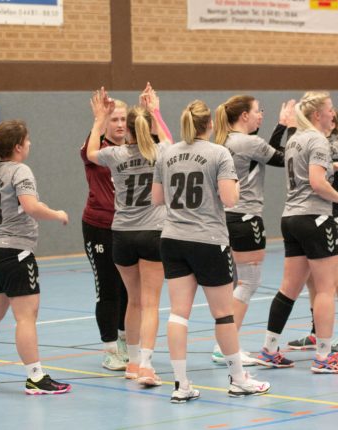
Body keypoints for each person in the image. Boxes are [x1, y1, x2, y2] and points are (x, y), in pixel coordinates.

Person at [153, 100, 271, 403]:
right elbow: (230, 199)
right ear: (210, 125)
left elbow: (157, 199)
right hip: (208, 239)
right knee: (223, 314)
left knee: (178, 314)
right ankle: (238, 380)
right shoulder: (219, 153)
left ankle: (181, 385)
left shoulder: (166, 154)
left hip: (172, 239)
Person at [256, 91, 338, 374]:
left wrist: (334, 165)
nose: (332, 113)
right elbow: (317, 182)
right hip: (316, 217)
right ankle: (324, 357)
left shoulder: (295, 139)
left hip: (291, 217)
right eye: (329, 108)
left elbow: (305, 169)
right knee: (326, 289)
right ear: (317, 114)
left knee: (288, 289)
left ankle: (269, 349)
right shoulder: (317, 139)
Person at [0, 120, 71, 395]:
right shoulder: (19, 170)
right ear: (17, 147)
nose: (30, 143)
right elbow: (30, 206)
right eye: (27, 140)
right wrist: (57, 214)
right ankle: (35, 377)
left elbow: (21, 205)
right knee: (26, 317)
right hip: (15, 252)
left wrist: (38, 206)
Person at [86, 86, 170, 388]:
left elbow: (91, 152)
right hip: (152, 233)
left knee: (133, 301)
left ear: (129, 131)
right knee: (150, 303)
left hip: (121, 235)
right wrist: (155, 109)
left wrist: (99, 119)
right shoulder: (158, 152)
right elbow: (169, 139)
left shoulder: (115, 154)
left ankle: (133, 362)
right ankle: (146, 365)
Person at [210, 96, 296, 366]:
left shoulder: (224, 141)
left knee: (235, 284)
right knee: (248, 283)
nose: (261, 115)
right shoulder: (249, 142)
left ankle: (224, 345)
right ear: (244, 116)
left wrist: (281, 126)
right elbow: (286, 158)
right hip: (246, 218)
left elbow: (265, 153)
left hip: (224, 219)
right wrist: (291, 128)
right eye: (258, 111)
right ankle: (225, 347)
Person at [288, 108, 338, 354]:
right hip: (311, 215)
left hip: (332, 213)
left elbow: (321, 159)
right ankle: (317, 331)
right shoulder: (310, 141)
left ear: (333, 123)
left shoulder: (336, 146)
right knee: (312, 282)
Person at [81, 96, 130, 371]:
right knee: (108, 288)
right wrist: (99, 118)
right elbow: (87, 152)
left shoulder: (133, 149)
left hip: (128, 226)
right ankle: (110, 349)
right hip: (99, 226)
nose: (120, 124)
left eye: (123, 119)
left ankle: (124, 340)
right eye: (114, 120)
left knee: (128, 288)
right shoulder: (95, 148)